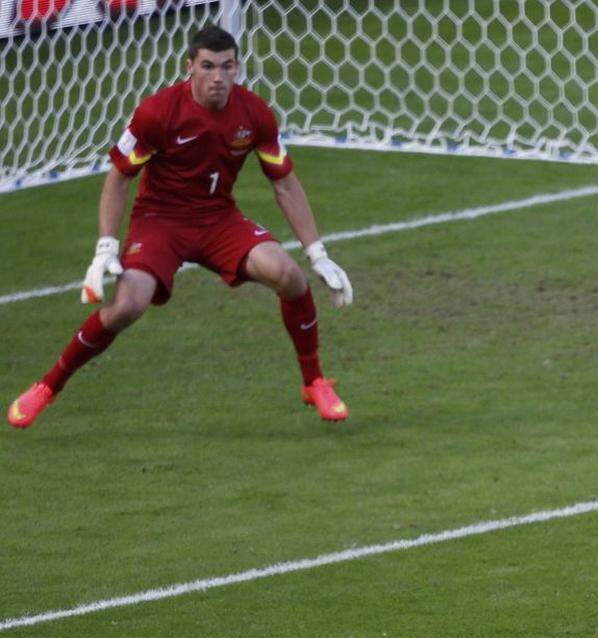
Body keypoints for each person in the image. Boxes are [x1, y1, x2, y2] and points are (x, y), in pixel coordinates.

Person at [7, 25, 353, 429]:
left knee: (289, 276)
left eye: (227, 67)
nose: (218, 77)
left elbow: (285, 184)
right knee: (126, 307)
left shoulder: (255, 114)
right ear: (189, 67)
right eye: (208, 66)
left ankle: (314, 382)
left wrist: (318, 253)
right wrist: (105, 246)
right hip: (161, 223)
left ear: (237, 68)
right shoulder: (158, 113)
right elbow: (119, 178)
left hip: (219, 219)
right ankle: (48, 387)